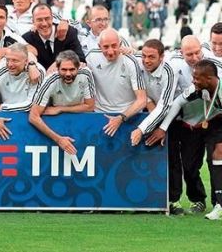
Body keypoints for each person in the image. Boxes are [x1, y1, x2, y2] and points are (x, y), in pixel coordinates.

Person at [146, 60, 222, 220]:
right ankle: (217, 204)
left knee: (216, 156)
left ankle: (219, 204)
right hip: (207, 125)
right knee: (195, 163)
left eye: (196, 78)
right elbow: (178, 102)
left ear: (208, 78)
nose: (193, 81)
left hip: (215, 124)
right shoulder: (198, 88)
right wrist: (163, 127)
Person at [129, 39, 187, 214]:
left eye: (151, 57)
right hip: (148, 114)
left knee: (172, 159)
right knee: (145, 158)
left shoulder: (170, 71)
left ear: (162, 57)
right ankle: (146, 201)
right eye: (144, 56)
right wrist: (148, 105)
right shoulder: (137, 62)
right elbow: (138, 91)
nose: (146, 60)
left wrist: (143, 129)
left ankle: (174, 201)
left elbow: (165, 105)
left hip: (172, 117)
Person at [29, 51, 96, 154]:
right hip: (56, 124)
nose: (68, 74)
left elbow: (90, 106)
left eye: (72, 69)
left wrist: (60, 109)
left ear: (78, 68)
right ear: (57, 69)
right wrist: (58, 139)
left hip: (81, 121)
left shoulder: (86, 74)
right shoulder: (50, 80)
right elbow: (33, 117)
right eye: (64, 70)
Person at [85, 29, 147, 137]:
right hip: (100, 115)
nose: (110, 51)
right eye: (106, 47)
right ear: (99, 46)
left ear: (121, 44)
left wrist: (121, 117)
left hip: (129, 116)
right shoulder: (91, 57)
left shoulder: (130, 62)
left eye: (114, 46)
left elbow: (142, 100)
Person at [22, 4, 85, 71]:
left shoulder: (68, 32)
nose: (44, 24)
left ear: (52, 19)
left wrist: (58, 63)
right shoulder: (27, 39)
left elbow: (80, 59)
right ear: (33, 21)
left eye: (47, 19)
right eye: (39, 20)